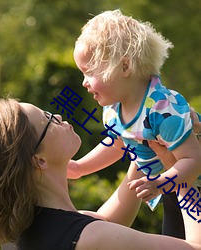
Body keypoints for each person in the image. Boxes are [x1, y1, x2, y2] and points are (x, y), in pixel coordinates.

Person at [0, 98, 201, 250]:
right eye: (48, 120)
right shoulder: (89, 238)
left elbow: (107, 221)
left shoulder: (23, 234)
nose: (57, 116)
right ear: (39, 160)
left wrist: (142, 135)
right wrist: (180, 172)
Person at [70, 9, 201, 239]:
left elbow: (193, 160)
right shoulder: (113, 109)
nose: (84, 82)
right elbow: (119, 142)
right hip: (173, 189)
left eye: (89, 72)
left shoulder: (161, 109)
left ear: (124, 67)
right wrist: (81, 167)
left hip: (190, 187)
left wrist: (160, 182)